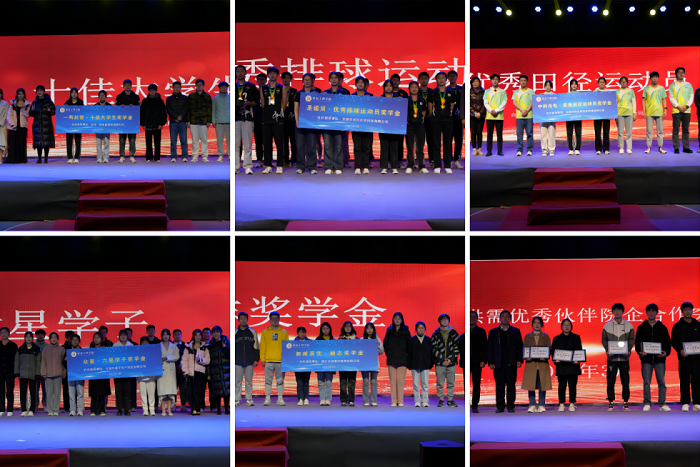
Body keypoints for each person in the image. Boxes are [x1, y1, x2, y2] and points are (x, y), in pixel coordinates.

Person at [634, 303, 672, 411]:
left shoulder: (662, 327)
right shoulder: (641, 327)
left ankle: (662, 404)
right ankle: (647, 403)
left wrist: (666, 353)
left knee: (662, 382)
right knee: (646, 382)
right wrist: (640, 352)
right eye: (649, 311)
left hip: (660, 359)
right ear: (646, 313)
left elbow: (667, 343)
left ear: (657, 313)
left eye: (653, 311)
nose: (651, 313)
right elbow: (637, 343)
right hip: (646, 360)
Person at [487, 310, 523, 413]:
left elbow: (520, 347)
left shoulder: (516, 331)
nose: (505, 318)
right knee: (499, 386)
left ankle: (511, 406)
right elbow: (489, 348)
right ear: (500, 318)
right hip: (498, 363)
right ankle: (500, 406)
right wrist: (491, 362)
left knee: (511, 385)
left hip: (511, 363)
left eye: (507, 317)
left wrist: (519, 360)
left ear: (510, 318)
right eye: (503, 316)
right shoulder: (493, 332)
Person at [602, 303, 635, 411]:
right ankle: (611, 402)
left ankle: (625, 401)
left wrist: (628, 349)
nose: (617, 312)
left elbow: (631, 340)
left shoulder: (629, 325)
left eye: (619, 310)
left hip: (624, 359)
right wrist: (608, 350)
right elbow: (604, 340)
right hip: (611, 359)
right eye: (615, 310)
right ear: (612, 312)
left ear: (623, 311)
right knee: (610, 381)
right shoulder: (607, 326)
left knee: (625, 381)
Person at [671, 302, 700, 412]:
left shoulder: (698, 324)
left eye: (690, 309)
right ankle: (685, 402)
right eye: (685, 310)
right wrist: (680, 350)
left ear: (693, 310)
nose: (688, 311)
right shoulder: (677, 326)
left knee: (697, 380)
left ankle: (697, 402)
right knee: (684, 380)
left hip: (697, 358)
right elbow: (674, 341)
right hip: (684, 358)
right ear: (682, 311)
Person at [428, 72, 457, 173]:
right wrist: (434, 117)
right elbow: (430, 107)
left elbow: (452, 106)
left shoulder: (451, 92)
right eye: (439, 78)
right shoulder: (432, 92)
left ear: (446, 80)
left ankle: (447, 165)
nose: (441, 80)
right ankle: (437, 165)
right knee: (436, 143)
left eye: (443, 78)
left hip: (448, 121)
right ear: (436, 80)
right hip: (436, 121)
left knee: (447, 143)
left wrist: (448, 115)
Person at [259, 67, 287, 174]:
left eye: (274, 73)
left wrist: (279, 114)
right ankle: (268, 165)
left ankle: (279, 165)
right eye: (270, 73)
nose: (272, 75)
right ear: (268, 75)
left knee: (279, 143)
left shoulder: (282, 88)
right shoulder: (263, 88)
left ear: (277, 75)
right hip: (266, 119)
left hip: (278, 119)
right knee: (267, 144)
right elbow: (263, 104)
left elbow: (284, 104)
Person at [551, 318, 582, 412]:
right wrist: (555, 359)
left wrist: (578, 359)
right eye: (565, 325)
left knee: (572, 386)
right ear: (561, 327)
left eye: (568, 325)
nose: (567, 327)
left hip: (573, 366)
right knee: (562, 386)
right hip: (561, 366)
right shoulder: (556, 338)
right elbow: (553, 352)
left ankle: (572, 404)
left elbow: (579, 351)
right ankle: (561, 404)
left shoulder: (576, 337)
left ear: (571, 326)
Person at [321, 71, 349, 175]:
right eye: (332, 78)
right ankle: (328, 166)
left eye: (335, 78)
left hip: (339, 123)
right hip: (327, 122)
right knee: (328, 145)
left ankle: (338, 166)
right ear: (329, 80)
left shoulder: (344, 93)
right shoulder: (325, 93)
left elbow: (348, 107)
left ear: (339, 80)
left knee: (338, 145)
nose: (333, 80)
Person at [522, 317, 551, 413]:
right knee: (530, 384)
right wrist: (526, 357)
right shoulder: (527, 336)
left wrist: (545, 356)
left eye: (539, 323)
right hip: (531, 364)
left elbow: (549, 349)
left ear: (542, 325)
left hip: (542, 364)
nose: (537, 324)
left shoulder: (546, 336)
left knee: (543, 384)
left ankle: (541, 404)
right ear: (532, 324)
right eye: (535, 323)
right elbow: (525, 349)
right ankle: (532, 404)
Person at [294, 73, 321, 174]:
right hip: (301, 122)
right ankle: (300, 166)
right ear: (302, 81)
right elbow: (296, 108)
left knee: (312, 145)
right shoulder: (299, 93)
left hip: (312, 123)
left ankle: (312, 166)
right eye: (305, 79)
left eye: (309, 80)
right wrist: (297, 121)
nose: (307, 81)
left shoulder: (316, 93)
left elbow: (320, 107)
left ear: (313, 81)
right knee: (300, 145)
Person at [431, 314, 460, 408]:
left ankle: (450, 400)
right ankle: (441, 400)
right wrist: (442, 359)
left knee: (451, 382)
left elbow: (457, 347)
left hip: (451, 362)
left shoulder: (454, 333)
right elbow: (434, 348)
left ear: (449, 321)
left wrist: (450, 359)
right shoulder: (435, 334)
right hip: (440, 362)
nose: (444, 321)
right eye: (443, 319)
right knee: (440, 382)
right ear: (439, 321)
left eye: (446, 319)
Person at [260, 312, 289, 406]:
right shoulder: (265, 332)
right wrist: (262, 358)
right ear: (270, 320)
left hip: (280, 361)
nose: (275, 320)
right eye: (273, 319)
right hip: (268, 360)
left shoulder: (284, 332)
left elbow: (287, 347)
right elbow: (263, 346)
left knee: (280, 381)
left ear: (279, 319)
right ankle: (267, 398)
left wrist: (286, 359)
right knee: (268, 381)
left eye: (276, 319)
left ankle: (280, 398)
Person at [384, 312, 411, 407]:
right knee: (393, 381)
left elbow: (409, 345)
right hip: (392, 359)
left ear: (402, 320)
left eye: (399, 318)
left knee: (400, 381)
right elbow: (385, 344)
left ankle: (400, 401)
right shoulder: (389, 331)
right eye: (395, 318)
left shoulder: (406, 331)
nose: (397, 320)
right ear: (393, 319)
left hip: (402, 359)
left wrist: (406, 356)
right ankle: (393, 401)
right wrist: (389, 354)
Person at [234, 66, 258, 174]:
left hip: (248, 118)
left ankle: (248, 166)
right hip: (235, 118)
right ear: (235, 73)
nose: (239, 73)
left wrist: (248, 103)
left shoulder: (251, 86)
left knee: (247, 144)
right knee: (235, 144)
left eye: (241, 71)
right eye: (237, 71)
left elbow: (256, 102)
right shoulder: (233, 86)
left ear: (245, 73)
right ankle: (235, 167)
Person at [182, 329, 210, 415]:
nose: (198, 337)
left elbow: (208, 360)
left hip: (200, 373)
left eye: (199, 335)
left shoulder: (204, 347)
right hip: (191, 373)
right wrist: (185, 371)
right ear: (193, 336)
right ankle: (194, 408)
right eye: (196, 335)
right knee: (192, 392)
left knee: (199, 392)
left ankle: (198, 408)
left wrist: (200, 360)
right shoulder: (188, 347)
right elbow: (184, 360)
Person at [235, 312, 259, 407]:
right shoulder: (235, 332)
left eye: (245, 318)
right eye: (241, 318)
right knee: (237, 381)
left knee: (249, 381)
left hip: (249, 360)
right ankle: (237, 399)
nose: (243, 320)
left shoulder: (252, 332)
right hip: (237, 361)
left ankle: (249, 399)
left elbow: (256, 347)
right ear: (238, 320)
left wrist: (256, 359)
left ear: (247, 320)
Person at [14, 331, 41, 417]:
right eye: (27, 337)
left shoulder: (36, 349)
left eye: (30, 337)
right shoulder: (20, 349)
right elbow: (17, 361)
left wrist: (38, 373)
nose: (28, 338)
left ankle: (32, 410)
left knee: (33, 393)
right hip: (23, 373)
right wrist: (17, 373)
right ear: (24, 338)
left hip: (33, 373)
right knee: (23, 393)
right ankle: (24, 410)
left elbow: (38, 362)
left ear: (32, 338)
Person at [351, 76, 374, 175]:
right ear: (356, 84)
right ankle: (357, 167)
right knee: (357, 147)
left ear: (365, 85)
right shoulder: (351, 97)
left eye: (362, 82)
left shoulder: (370, 96)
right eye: (358, 82)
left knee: (366, 147)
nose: (360, 84)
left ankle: (365, 166)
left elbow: (375, 109)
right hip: (356, 125)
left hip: (367, 125)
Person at [139, 83, 167, 162]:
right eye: (151, 90)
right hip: (147, 124)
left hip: (157, 124)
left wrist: (161, 123)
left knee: (157, 142)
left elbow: (163, 113)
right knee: (148, 142)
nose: (152, 92)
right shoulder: (145, 101)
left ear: (156, 91)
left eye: (153, 90)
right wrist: (143, 123)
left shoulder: (160, 101)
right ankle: (149, 157)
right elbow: (142, 113)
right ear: (148, 91)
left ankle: (157, 158)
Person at [669, 67, 694, 154]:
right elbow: (671, 98)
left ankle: (686, 147)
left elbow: (691, 96)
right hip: (676, 111)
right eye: (679, 72)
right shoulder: (672, 85)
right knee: (676, 130)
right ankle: (676, 147)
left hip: (687, 111)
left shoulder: (688, 85)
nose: (681, 74)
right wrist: (678, 107)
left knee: (685, 130)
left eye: (682, 72)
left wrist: (686, 106)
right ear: (676, 74)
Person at [187, 78, 213, 162]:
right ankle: (195, 156)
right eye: (198, 85)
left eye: (200, 85)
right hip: (193, 121)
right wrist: (188, 120)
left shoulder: (207, 96)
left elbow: (209, 109)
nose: (199, 86)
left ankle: (205, 156)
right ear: (195, 86)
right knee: (195, 141)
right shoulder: (191, 96)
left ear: (203, 85)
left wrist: (209, 120)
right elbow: (188, 109)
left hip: (204, 121)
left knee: (204, 140)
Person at [407, 321, 432, 408]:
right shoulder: (411, 340)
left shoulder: (428, 340)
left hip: (425, 364)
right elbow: (409, 353)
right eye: (419, 328)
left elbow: (431, 353)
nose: (421, 329)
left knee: (425, 384)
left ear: (424, 329)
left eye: (422, 328)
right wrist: (409, 365)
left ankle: (425, 401)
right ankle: (417, 401)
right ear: (416, 329)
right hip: (415, 364)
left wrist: (430, 363)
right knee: (416, 384)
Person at [642, 71, 668, 154]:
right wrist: (644, 111)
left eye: (656, 77)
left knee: (660, 131)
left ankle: (660, 147)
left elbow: (664, 99)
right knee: (649, 131)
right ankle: (648, 147)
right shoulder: (646, 89)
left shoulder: (661, 88)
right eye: (653, 77)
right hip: (649, 112)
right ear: (650, 78)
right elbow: (644, 100)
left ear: (658, 78)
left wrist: (665, 109)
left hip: (659, 112)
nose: (654, 78)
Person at [40, 332, 65, 417]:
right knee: (49, 393)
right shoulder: (46, 349)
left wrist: (64, 372)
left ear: (58, 339)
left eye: (55, 337)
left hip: (58, 373)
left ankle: (56, 410)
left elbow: (63, 362)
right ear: (49, 339)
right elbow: (43, 361)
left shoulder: (62, 349)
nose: (54, 339)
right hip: (48, 374)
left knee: (57, 393)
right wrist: (43, 372)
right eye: (52, 337)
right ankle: (50, 410)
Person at [29, 85, 56, 164]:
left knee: (46, 142)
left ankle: (46, 159)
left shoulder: (49, 102)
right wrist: (32, 110)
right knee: (39, 142)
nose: (39, 92)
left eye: (41, 90)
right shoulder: (35, 102)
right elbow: (31, 114)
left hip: (47, 124)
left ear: (44, 91)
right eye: (38, 91)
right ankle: (39, 159)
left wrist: (50, 111)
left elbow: (54, 112)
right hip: (37, 124)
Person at [406, 81, 428, 174]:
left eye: (416, 87)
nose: (414, 89)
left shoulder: (422, 100)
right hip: (409, 126)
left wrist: (420, 119)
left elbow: (424, 111)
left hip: (420, 126)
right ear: (409, 89)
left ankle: (421, 165)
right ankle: (410, 165)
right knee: (410, 146)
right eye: (412, 87)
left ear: (418, 89)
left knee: (420, 146)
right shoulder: (406, 100)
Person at [378, 80, 400, 174]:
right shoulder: (380, 99)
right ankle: (384, 167)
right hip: (383, 126)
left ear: (393, 87)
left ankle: (394, 167)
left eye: (390, 86)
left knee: (394, 147)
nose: (388, 87)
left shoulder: (398, 98)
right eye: (386, 86)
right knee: (384, 147)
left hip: (394, 126)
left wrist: (401, 101)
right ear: (384, 87)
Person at [115, 79, 140, 163]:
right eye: (126, 85)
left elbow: (139, 108)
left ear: (131, 86)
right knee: (122, 140)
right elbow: (115, 108)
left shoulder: (135, 96)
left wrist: (134, 106)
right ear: (123, 86)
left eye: (129, 85)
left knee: (132, 140)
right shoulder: (119, 96)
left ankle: (132, 156)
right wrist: (120, 107)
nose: (128, 86)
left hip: (132, 122)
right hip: (122, 122)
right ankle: (122, 156)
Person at [208, 326, 230, 415]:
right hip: (215, 370)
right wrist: (208, 373)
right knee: (216, 391)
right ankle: (219, 410)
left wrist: (225, 347)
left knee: (226, 390)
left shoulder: (226, 343)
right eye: (214, 332)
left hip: (225, 369)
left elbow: (231, 355)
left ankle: (227, 409)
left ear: (221, 332)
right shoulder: (211, 345)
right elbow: (209, 360)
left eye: (217, 332)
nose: (216, 334)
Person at [166, 80, 189, 163]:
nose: (176, 88)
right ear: (172, 88)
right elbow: (168, 110)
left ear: (180, 88)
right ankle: (173, 157)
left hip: (182, 122)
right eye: (175, 87)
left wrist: (180, 116)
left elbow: (186, 108)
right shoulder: (169, 98)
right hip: (173, 122)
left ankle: (184, 156)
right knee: (173, 141)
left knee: (184, 140)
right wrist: (176, 117)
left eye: (178, 87)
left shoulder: (185, 98)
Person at [88, 332, 111, 416]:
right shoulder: (90, 350)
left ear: (101, 339)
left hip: (103, 373)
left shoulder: (105, 349)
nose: (96, 339)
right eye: (95, 337)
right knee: (94, 392)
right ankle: (93, 410)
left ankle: (101, 410)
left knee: (102, 391)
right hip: (93, 373)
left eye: (98, 337)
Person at [361, 322, 383, 407]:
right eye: (367, 328)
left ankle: (374, 401)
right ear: (365, 330)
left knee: (373, 382)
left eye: (371, 328)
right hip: (365, 364)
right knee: (365, 381)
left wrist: (378, 346)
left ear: (373, 329)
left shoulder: (377, 339)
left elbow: (381, 351)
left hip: (374, 363)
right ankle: (366, 401)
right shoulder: (362, 339)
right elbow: (359, 352)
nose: (369, 330)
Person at [6, 89, 31, 164]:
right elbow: (9, 116)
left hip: (22, 126)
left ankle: (21, 159)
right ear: (17, 95)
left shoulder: (27, 104)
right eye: (19, 94)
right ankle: (13, 159)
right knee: (13, 143)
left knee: (21, 143)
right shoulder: (12, 104)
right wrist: (13, 124)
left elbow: (28, 115)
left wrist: (23, 108)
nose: (20, 95)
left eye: (22, 94)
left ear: (24, 95)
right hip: (13, 127)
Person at [484, 74, 506, 157]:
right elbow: (485, 103)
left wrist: (496, 111)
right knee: (489, 134)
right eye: (493, 79)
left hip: (499, 115)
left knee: (499, 134)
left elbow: (504, 103)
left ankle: (500, 151)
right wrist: (491, 111)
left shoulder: (503, 91)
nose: (495, 81)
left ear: (499, 81)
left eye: (496, 79)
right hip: (490, 116)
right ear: (491, 81)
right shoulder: (487, 91)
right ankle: (489, 151)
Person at [512, 75, 534, 157]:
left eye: (524, 80)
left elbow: (532, 101)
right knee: (519, 134)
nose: (523, 82)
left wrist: (527, 110)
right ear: (519, 81)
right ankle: (519, 150)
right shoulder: (516, 92)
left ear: (527, 81)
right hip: (519, 115)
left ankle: (530, 150)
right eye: (521, 80)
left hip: (529, 115)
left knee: (529, 133)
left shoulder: (531, 91)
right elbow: (514, 102)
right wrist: (522, 110)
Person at [470, 310, 487, 413]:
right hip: (466, 362)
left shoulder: (481, 331)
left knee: (476, 384)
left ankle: (474, 405)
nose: (471, 319)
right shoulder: (464, 332)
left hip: (477, 362)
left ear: (477, 319)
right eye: (469, 317)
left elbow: (485, 347)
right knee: (465, 384)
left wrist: (483, 360)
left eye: (473, 317)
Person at [158, 328, 179, 416]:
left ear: (170, 336)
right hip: (162, 370)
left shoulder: (174, 346)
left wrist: (167, 357)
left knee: (170, 391)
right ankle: (163, 409)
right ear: (161, 336)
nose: (165, 336)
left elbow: (177, 356)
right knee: (162, 391)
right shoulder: (158, 346)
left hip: (170, 370)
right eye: (164, 334)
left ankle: (169, 409)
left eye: (167, 334)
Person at [112, 329, 133, 416]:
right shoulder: (115, 345)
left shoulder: (131, 345)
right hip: (118, 372)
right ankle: (119, 410)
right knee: (119, 392)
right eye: (122, 335)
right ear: (119, 336)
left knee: (127, 392)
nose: (123, 336)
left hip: (127, 372)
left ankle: (127, 410)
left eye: (125, 335)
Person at [337, 321, 358, 407]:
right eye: (346, 326)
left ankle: (351, 400)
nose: (348, 328)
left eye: (349, 326)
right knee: (343, 382)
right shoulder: (340, 339)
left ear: (352, 328)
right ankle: (343, 400)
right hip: (342, 364)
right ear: (343, 328)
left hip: (353, 364)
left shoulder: (356, 339)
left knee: (351, 382)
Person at [391, 74, 409, 167]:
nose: (395, 82)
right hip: (390, 121)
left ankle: (399, 160)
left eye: (397, 80)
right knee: (390, 142)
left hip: (401, 121)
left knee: (400, 141)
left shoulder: (403, 93)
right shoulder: (387, 92)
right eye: (393, 80)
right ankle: (390, 161)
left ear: (399, 82)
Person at [136, 336, 157, 416]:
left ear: (149, 343)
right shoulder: (138, 353)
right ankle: (145, 410)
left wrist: (153, 372)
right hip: (141, 376)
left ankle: (152, 410)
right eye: (143, 342)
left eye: (146, 342)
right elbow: (136, 364)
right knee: (143, 394)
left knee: (151, 394)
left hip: (151, 375)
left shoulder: (153, 352)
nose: (145, 343)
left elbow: (155, 363)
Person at [447, 70, 463, 168]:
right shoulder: (445, 90)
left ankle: (457, 160)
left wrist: (463, 117)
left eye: (454, 76)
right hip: (448, 119)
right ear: (448, 78)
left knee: (458, 139)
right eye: (451, 76)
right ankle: (449, 160)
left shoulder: (461, 89)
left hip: (459, 119)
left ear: (457, 77)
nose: (452, 77)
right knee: (448, 140)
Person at [0, 327, 19, 416]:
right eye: (2, 332)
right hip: (0, 371)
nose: (4, 334)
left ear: (9, 334)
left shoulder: (13, 345)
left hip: (10, 371)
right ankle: (1, 410)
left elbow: (16, 360)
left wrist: (16, 371)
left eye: (5, 332)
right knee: (1, 391)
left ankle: (10, 410)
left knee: (10, 390)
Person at [280, 72, 297, 168]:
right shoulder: (279, 91)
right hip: (282, 119)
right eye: (284, 78)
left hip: (292, 119)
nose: (285, 80)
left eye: (287, 78)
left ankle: (294, 160)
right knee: (284, 141)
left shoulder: (295, 91)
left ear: (291, 79)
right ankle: (285, 160)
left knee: (294, 141)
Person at [316, 322, 335, 406]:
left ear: (330, 330)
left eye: (327, 329)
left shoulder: (333, 340)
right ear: (321, 330)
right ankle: (322, 399)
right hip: (320, 364)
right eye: (324, 329)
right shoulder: (318, 339)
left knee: (328, 382)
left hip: (330, 364)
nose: (325, 330)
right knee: (320, 382)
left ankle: (328, 399)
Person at [616, 76, 636, 154]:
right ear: (620, 83)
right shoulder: (617, 92)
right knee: (620, 132)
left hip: (629, 113)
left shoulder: (631, 91)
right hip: (620, 113)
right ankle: (621, 147)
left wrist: (634, 113)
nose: (623, 83)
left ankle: (628, 148)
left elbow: (634, 102)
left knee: (629, 131)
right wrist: (615, 114)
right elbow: (615, 103)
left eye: (625, 81)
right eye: (622, 81)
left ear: (627, 83)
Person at [65, 334, 85, 416]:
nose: (75, 341)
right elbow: (63, 363)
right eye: (73, 340)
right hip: (71, 374)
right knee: (71, 393)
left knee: (80, 393)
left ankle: (80, 410)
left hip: (80, 374)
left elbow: (85, 362)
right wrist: (65, 360)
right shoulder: (68, 351)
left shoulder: (82, 351)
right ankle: (72, 410)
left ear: (79, 341)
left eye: (76, 340)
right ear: (71, 341)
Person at [418, 72, 434, 167]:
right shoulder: (415, 91)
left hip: (430, 119)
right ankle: (419, 161)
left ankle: (432, 160)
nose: (424, 80)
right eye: (422, 78)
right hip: (418, 119)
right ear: (419, 80)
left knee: (431, 140)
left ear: (428, 80)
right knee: (419, 141)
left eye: (425, 78)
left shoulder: (432, 92)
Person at [63, 87, 84, 163]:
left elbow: (83, 112)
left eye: (75, 92)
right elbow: (63, 113)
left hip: (78, 124)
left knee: (78, 141)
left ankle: (77, 157)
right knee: (69, 140)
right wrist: (65, 108)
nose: (74, 94)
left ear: (77, 94)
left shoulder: (81, 102)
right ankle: (70, 157)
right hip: (69, 125)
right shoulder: (67, 103)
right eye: (72, 92)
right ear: (70, 94)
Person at [212, 81, 230, 163]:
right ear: (219, 88)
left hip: (229, 122)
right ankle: (220, 155)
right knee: (219, 139)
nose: (224, 88)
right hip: (219, 121)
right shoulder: (215, 98)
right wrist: (213, 121)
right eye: (222, 87)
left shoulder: (231, 98)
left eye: (225, 87)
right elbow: (213, 110)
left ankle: (230, 155)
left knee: (230, 140)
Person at [593, 77, 611, 155]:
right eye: (600, 82)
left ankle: (606, 149)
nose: (602, 83)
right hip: (597, 114)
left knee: (606, 132)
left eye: (603, 82)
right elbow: (592, 101)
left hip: (606, 114)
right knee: (597, 132)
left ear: (605, 83)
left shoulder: (608, 92)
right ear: (598, 83)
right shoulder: (595, 92)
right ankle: (598, 149)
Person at [293, 326, 311, 406]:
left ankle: (306, 398)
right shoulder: (293, 343)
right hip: (297, 366)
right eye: (300, 332)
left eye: (303, 332)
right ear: (297, 333)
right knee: (299, 383)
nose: (302, 334)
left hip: (307, 365)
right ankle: (300, 399)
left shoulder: (310, 342)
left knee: (306, 383)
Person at [94, 90, 112, 163]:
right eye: (100, 95)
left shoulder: (109, 106)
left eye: (103, 95)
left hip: (106, 126)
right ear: (98, 97)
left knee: (106, 142)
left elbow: (112, 116)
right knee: (98, 143)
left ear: (105, 97)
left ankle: (105, 158)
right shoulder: (95, 106)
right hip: (98, 127)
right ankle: (99, 158)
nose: (102, 97)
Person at [254, 73, 268, 167]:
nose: (261, 81)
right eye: (259, 79)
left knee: (267, 141)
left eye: (263, 79)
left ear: (266, 81)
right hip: (257, 119)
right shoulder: (254, 92)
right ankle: (259, 160)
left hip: (267, 118)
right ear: (257, 81)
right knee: (258, 141)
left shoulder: (269, 91)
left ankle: (268, 161)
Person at [539, 80, 556, 156]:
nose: (548, 87)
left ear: (551, 86)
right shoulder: (541, 96)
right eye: (546, 85)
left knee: (551, 133)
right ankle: (544, 149)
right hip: (543, 117)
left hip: (552, 116)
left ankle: (551, 149)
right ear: (544, 86)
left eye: (549, 85)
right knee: (543, 133)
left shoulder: (554, 95)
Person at [470, 77, 486, 157]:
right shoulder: (469, 92)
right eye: (474, 82)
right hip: (472, 115)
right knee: (473, 132)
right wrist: (474, 112)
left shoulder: (484, 92)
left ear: (479, 82)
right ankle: (474, 149)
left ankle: (479, 149)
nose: (475, 83)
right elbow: (468, 103)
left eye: (477, 81)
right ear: (471, 83)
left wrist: (480, 112)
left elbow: (485, 103)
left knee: (479, 132)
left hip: (481, 115)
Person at [566, 79, 582, 155]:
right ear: (570, 85)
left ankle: (577, 149)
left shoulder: (580, 95)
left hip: (578, 115)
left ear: (577, 85)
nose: (574, 85)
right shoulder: (567, 95)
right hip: (569, 115)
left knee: (578, 132)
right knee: (569, 133)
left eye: (575, 84)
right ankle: (571, 149)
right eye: (572, 84)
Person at [172, 329, 187, 411]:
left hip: (182, 370)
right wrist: (176, 364)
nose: (177, 336)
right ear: (173, 336)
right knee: (173, 388)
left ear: (181, 335)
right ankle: (173, 404)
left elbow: (186, 357)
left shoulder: (185, 345)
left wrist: (181, 364)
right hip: (172, 370)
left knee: (183, 388)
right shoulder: (170, 346)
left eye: (178, 334)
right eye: (175, 335)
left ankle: (183, 405)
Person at [34, 329, 48, 412]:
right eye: (38, 334)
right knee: (35, 389)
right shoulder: (32, 345)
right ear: (35, 335)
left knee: (45, 389)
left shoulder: (47, 346)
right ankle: (35, 405)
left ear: (44, 335)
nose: (40, 335)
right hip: (35, 371)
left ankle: (45, 404)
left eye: (41, 334)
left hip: (45, 371)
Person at [61, 331, 74, 413]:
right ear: (65, 338)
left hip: (75, 372)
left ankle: (73, 406)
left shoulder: (77, 348)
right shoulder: (62, 348)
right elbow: (60, 361)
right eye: (68, 337)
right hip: (65, 372)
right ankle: (66, 407)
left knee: (74, 390)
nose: (69, 339)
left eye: (71, 337)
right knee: (65, 389)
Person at [0, 89, 7, 163]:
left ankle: (0, 159)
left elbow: (6, 115)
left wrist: (0, 122)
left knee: (1, 144)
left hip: (1, 125)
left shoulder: (5, 104)